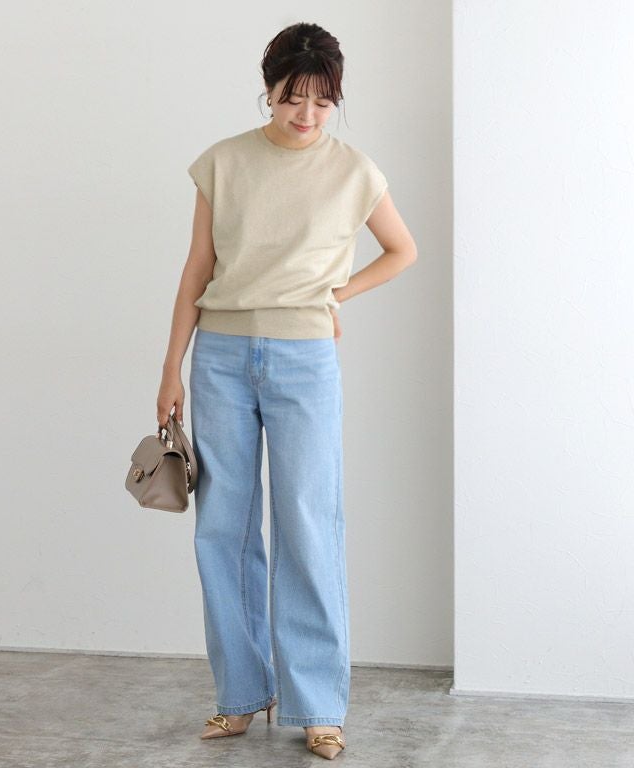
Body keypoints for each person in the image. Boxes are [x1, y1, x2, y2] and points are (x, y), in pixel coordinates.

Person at [157, 21, 417, 761]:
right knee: (224, 528)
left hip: (306, 358)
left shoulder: (355, 171)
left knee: (308, 523)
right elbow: (197, 270)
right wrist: (171, 367)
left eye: (323, 102)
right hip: (220, 357)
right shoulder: (223, 163)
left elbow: (402, 250)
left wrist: (338, 293)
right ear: (268, 87)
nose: (307, 115)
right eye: (292, 97)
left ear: (337, 99)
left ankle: (318, 705)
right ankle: (241, 695)